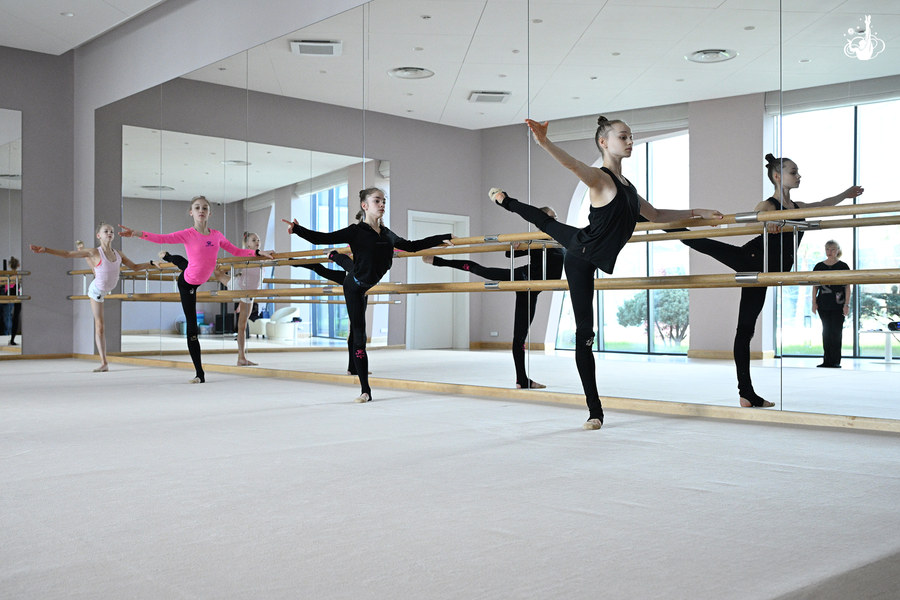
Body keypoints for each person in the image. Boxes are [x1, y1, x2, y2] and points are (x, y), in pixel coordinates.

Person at [491, 116, 723, 430]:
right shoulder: (600, 178)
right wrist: (544, 142)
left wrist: (697, 212)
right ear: (604, 142)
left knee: (547, 224)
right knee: (584, 333)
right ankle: (594, 411)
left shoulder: (629, 189)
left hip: (583, 241)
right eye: (623, 136)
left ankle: (505, 200)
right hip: (579, 257)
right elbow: (572, 164)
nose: (630, 141)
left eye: (631, 136)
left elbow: (656, 214)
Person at [669, 155, 863, 406]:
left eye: (798, 172)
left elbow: (824, 204)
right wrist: (766, 221)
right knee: (699, 243)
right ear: (777, 176)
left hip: (766, 271)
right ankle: (649, 219)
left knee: (746, 329)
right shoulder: (769, 204)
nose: (799, 176)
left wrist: (846, 194)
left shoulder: (799, 208)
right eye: (794, 172)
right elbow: (753, 219)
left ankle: (746, 394)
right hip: (752, 260)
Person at [283, 187, 453, 403]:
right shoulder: (355, 231)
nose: (382, 204)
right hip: (354, 287)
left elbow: (412, 246)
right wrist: (297, 229)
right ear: (364, 206)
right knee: (359, 337)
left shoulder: (388, 234)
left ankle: (335, 257)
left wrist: (444, 237)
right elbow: (321, 238)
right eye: (377, 201)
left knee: (351, 268)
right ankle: (365, 391)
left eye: (384, 201)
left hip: (364, 279)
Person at [119, 195, 274, 383]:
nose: (201, 210)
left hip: (198, 274)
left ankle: (169, 257)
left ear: (210, 213)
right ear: (191, 212)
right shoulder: (187, 234)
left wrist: (257, 252)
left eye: (205, 208)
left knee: (186, 265)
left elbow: (237, 251)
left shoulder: (217, 235)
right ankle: (200, 374)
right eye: (197, 207)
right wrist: (136, 233)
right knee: (192, 327)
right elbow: (161, 237)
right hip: (187, 284)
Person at [422, 212, 564, 389]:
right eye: (550, 217)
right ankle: (437, 261)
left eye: (555, 217)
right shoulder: (535, 240)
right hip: (522, 278)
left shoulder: (560, 240)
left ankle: (522, 380)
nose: (554, 220)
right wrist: (517, 244)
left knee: (520, 336)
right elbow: (509, 254)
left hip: (533, 290)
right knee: (481, 270)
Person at [30, 224, 155, 370]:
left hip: (106, 285)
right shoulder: (94, 251)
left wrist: (151, 263)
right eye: (106, 231)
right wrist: (45, 250)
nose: (109, 233)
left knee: (96, 269)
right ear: (98, 236)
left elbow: (135, 267)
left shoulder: (119, 254)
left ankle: (82, 251)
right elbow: (67, 254)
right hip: (96, 291)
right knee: (100, 327)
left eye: (111, 231)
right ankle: (104, 363)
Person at [293, 249, 368, 377]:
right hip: (354, 278)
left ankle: (353, 367)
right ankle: (354, 367)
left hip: (360, 281)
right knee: (357, 329)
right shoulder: (357, 246)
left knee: (356, 329)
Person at [812, 240, 851, 368]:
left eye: (833, 249)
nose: (830, 252)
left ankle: (835, 361)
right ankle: (827, 360)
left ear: (838, 250)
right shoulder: (819, 266)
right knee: (826, 332)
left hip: (838, 304)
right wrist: (813, 303)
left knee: (836, 332)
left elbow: (847, 287)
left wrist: (847, 304)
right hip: (823, 303)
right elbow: (815, 287)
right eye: (828, 249)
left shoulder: (843, 266)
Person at [4, 256, 21, 346]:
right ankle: (12, 340)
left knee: (9, 317)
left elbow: (7, 287)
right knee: (15, 318)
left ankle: (11, 339)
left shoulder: (8, 275)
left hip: (9, 294)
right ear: (18, 265)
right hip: (15, 294)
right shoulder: (17, 275)